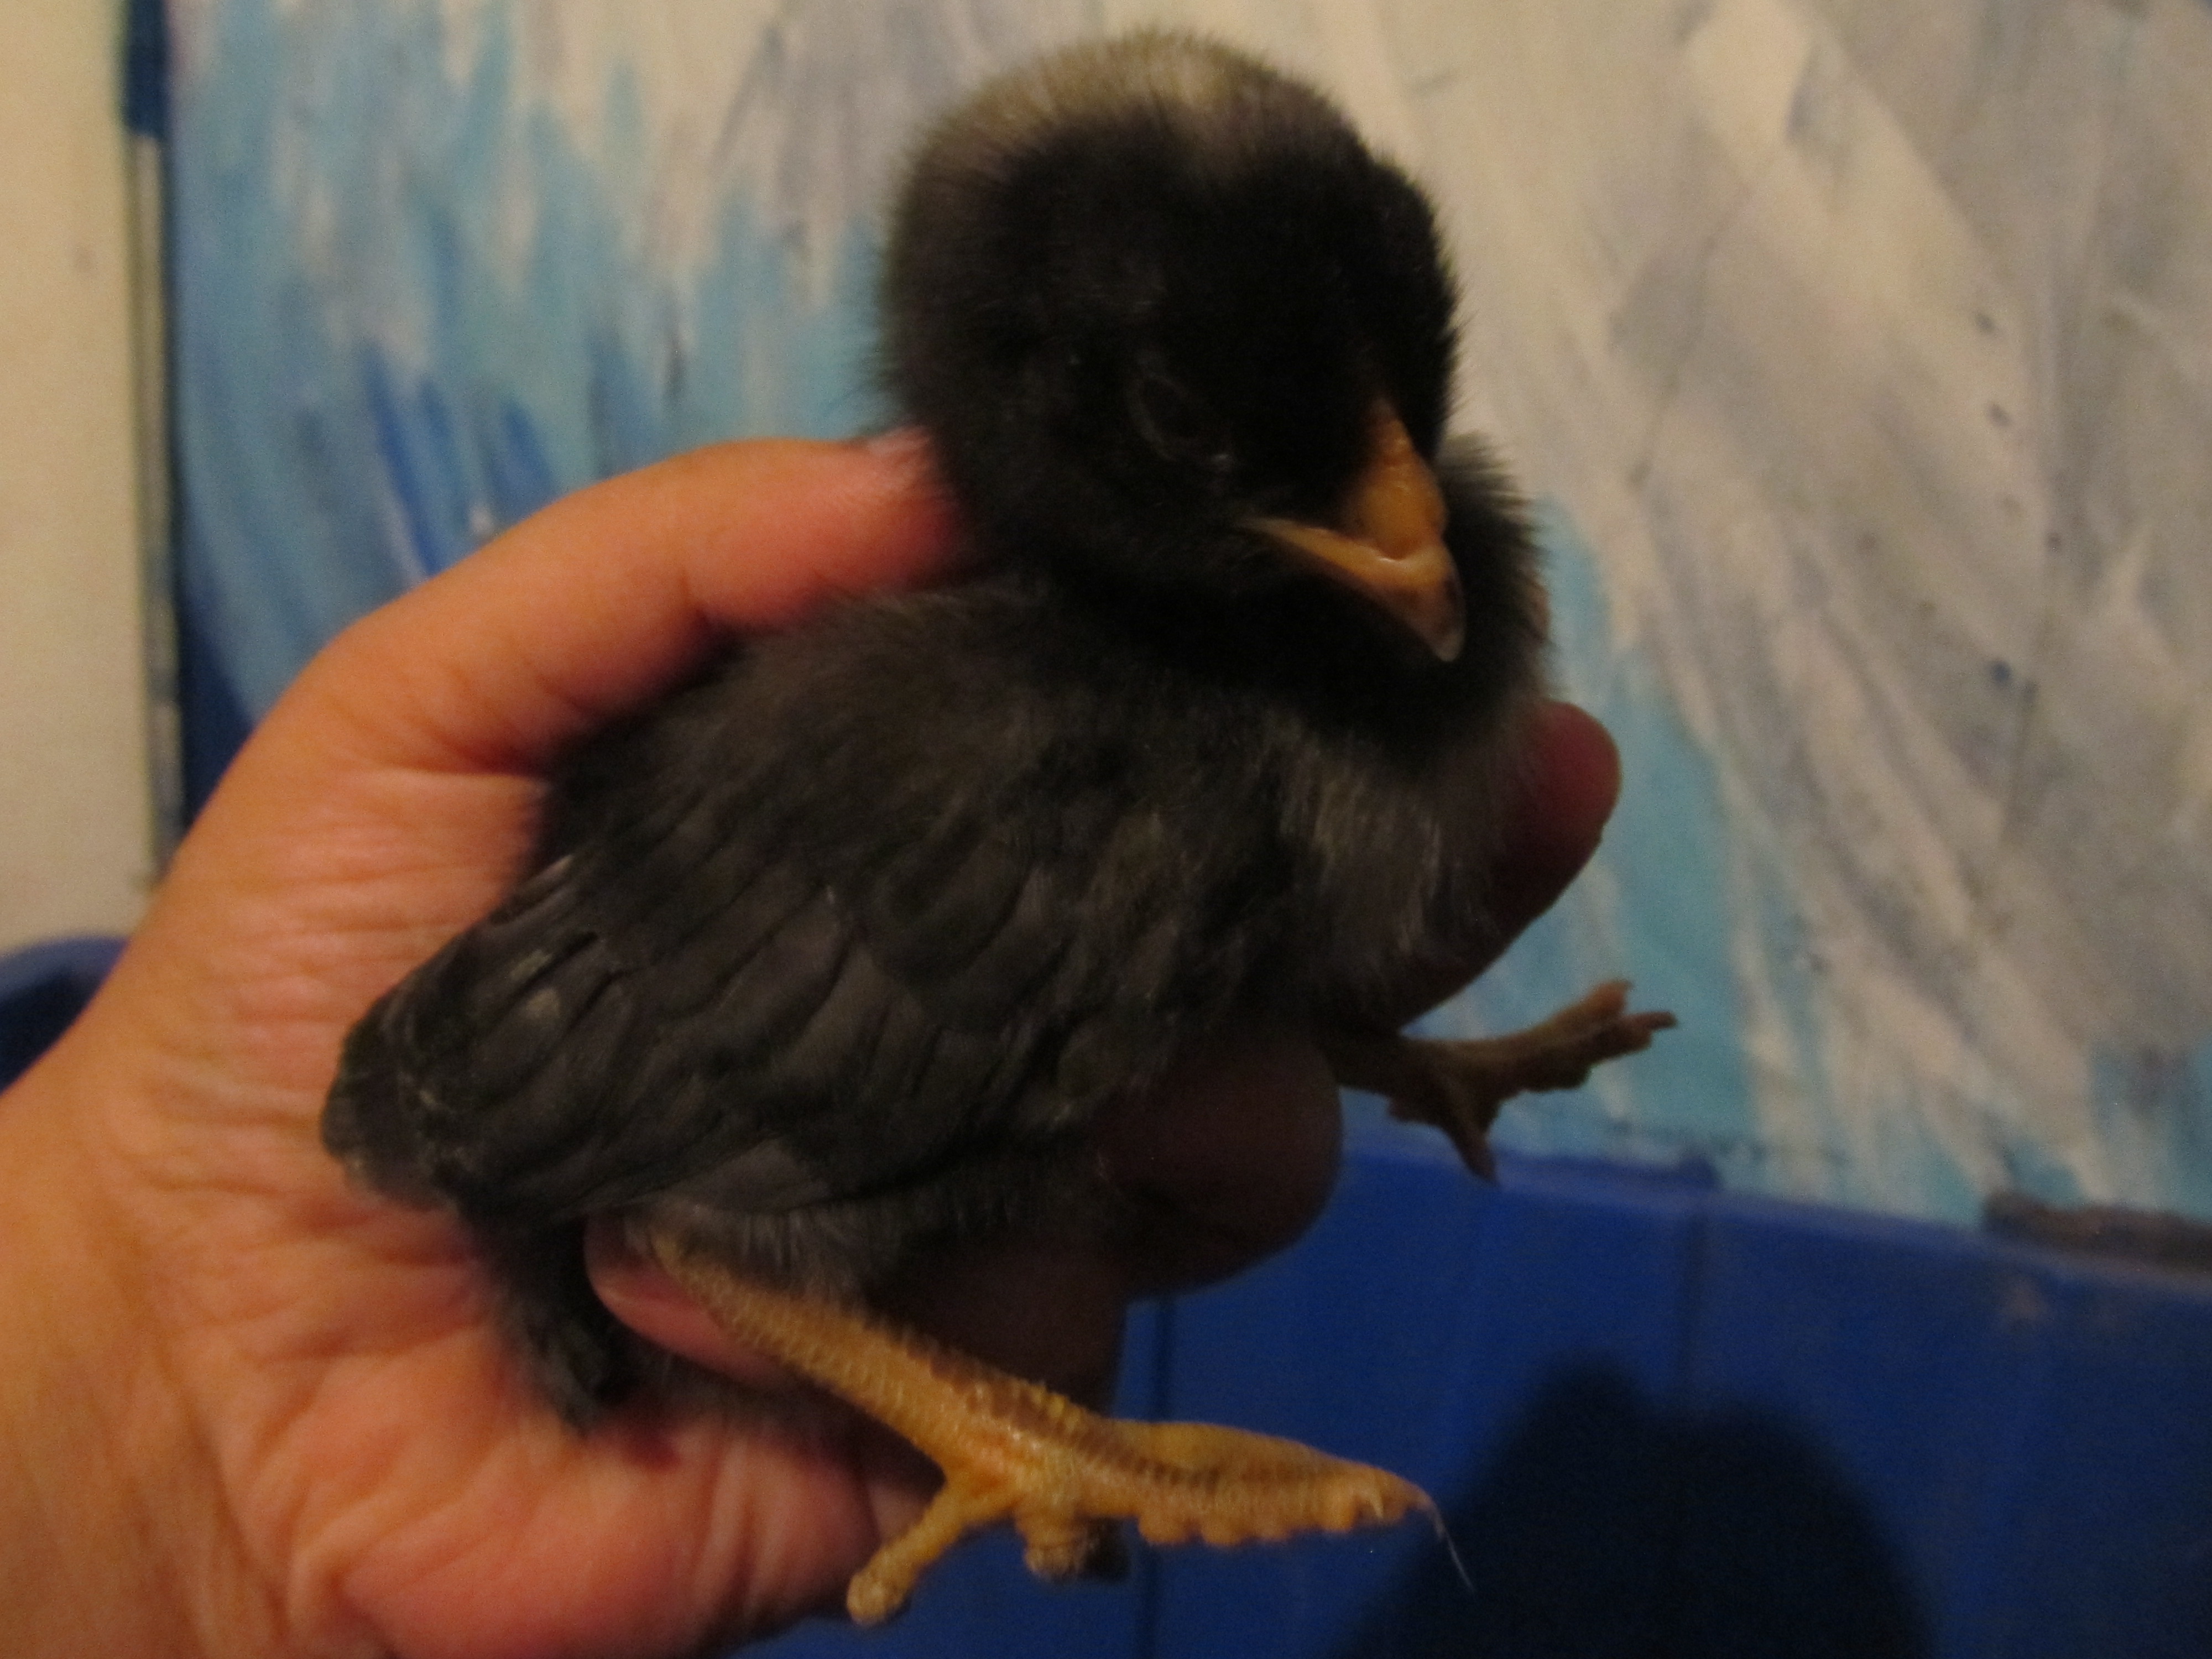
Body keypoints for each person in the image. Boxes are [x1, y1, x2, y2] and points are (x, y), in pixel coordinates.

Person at [0, 436, 1621, 1656]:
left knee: (1085, 1036)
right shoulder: (1060, 730)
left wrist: (210, 1433)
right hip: (609, 1151)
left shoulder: (1269, 675)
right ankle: (980, 1425)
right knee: (822, 1142)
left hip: (524, 1218)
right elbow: (649, 1193)